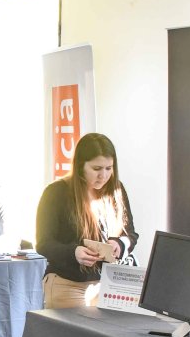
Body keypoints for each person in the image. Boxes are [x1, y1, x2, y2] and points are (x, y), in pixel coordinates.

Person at [35, 132, 138, 309]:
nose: (103, 175)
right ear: (80, 165)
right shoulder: (56, 193)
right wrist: (73, 252)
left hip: (107, 285)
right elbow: (43, 244)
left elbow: (131, 234)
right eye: (96, 169)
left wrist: (120, 244)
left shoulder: (117, 190)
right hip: (67, 284)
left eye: (109, 168)